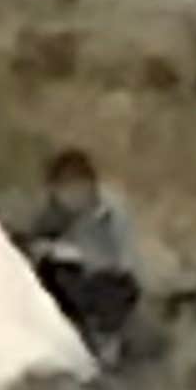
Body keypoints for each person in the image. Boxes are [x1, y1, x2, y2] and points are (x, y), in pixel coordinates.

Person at [20, 147, 144, 364]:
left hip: (114, 284)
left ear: (85, 186)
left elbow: (123, 262)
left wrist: (69, 254)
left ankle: (108, 343)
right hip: (74, 284)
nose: (62, 199)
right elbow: (38, 239)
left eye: (67, 191)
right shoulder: (55, 212)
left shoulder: (112, 212)